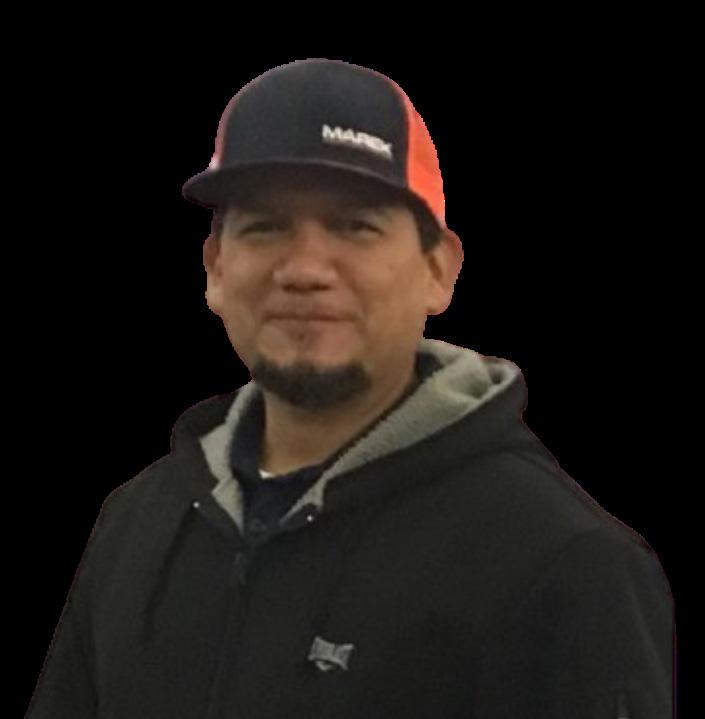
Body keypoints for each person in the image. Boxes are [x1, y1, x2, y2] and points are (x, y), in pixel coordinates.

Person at [27, 58, 674, 718]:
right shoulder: (136, 523)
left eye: (355, 226)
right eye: (266, 226)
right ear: (216, 268)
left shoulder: (562, 561)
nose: (305, 268)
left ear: (438, 269)